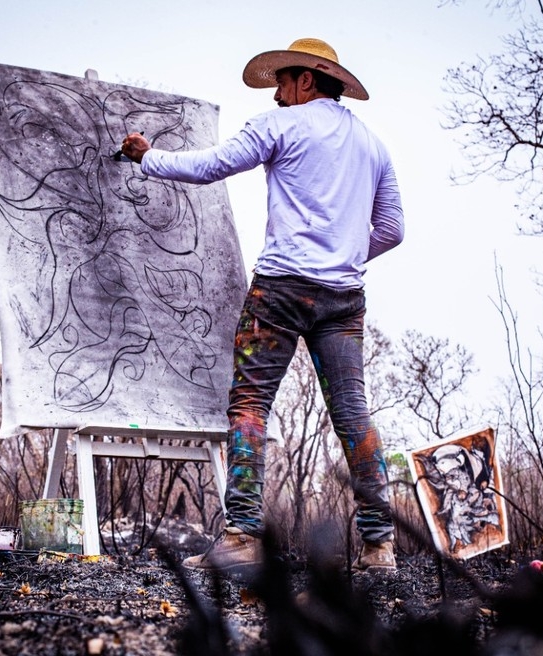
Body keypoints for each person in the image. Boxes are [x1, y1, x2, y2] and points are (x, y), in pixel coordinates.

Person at [120, 37, 404, 573]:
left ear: (305, 79)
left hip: (280, 291)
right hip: (344, 297)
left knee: (250, 405)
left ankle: (242, 538)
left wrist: (147, 157)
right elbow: (391, 229)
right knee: (353, 414)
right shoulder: (374, 146)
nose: (276, 93)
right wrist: (341, 253)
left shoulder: (280, 126)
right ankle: (380, 546)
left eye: (281, 82)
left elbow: (210, 167)